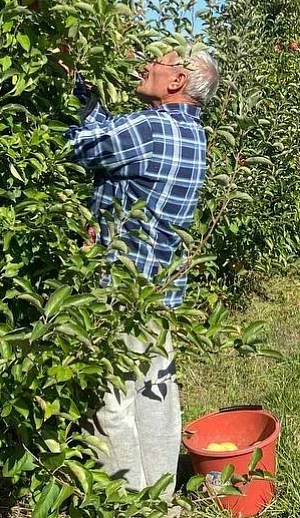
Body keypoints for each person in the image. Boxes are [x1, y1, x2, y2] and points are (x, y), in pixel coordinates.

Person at [63, 46, 219, 501]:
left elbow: (81, 144)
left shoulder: (153, 128)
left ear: (176, 81)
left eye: (157, 61)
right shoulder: (192, 133)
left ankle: (129, 505)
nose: (143, 65)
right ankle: (162, 502)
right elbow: (116, 143)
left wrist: (76, 88)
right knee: (155, 396)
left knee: (111, 404)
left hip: (119, 292)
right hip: (160, 294)